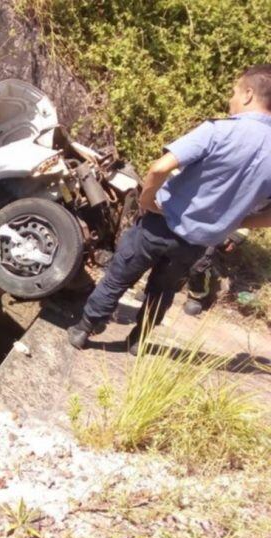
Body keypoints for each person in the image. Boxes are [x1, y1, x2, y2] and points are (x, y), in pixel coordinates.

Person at [68, 64, 271, 354]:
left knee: (119, 275)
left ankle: (83, 329)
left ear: (250, 94)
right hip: (196, 245)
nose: (231, 100)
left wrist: (146, 200)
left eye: (235, 92)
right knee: (162, 291)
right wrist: (235, 221)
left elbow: (160, 167)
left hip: (161, 224)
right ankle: (138, 342)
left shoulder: (220, 131)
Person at [182, 228, 248, 316]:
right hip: (192, 223)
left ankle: (198, 296)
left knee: (203, 263)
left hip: (223, 230)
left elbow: (246, 215)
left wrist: (235, 237)